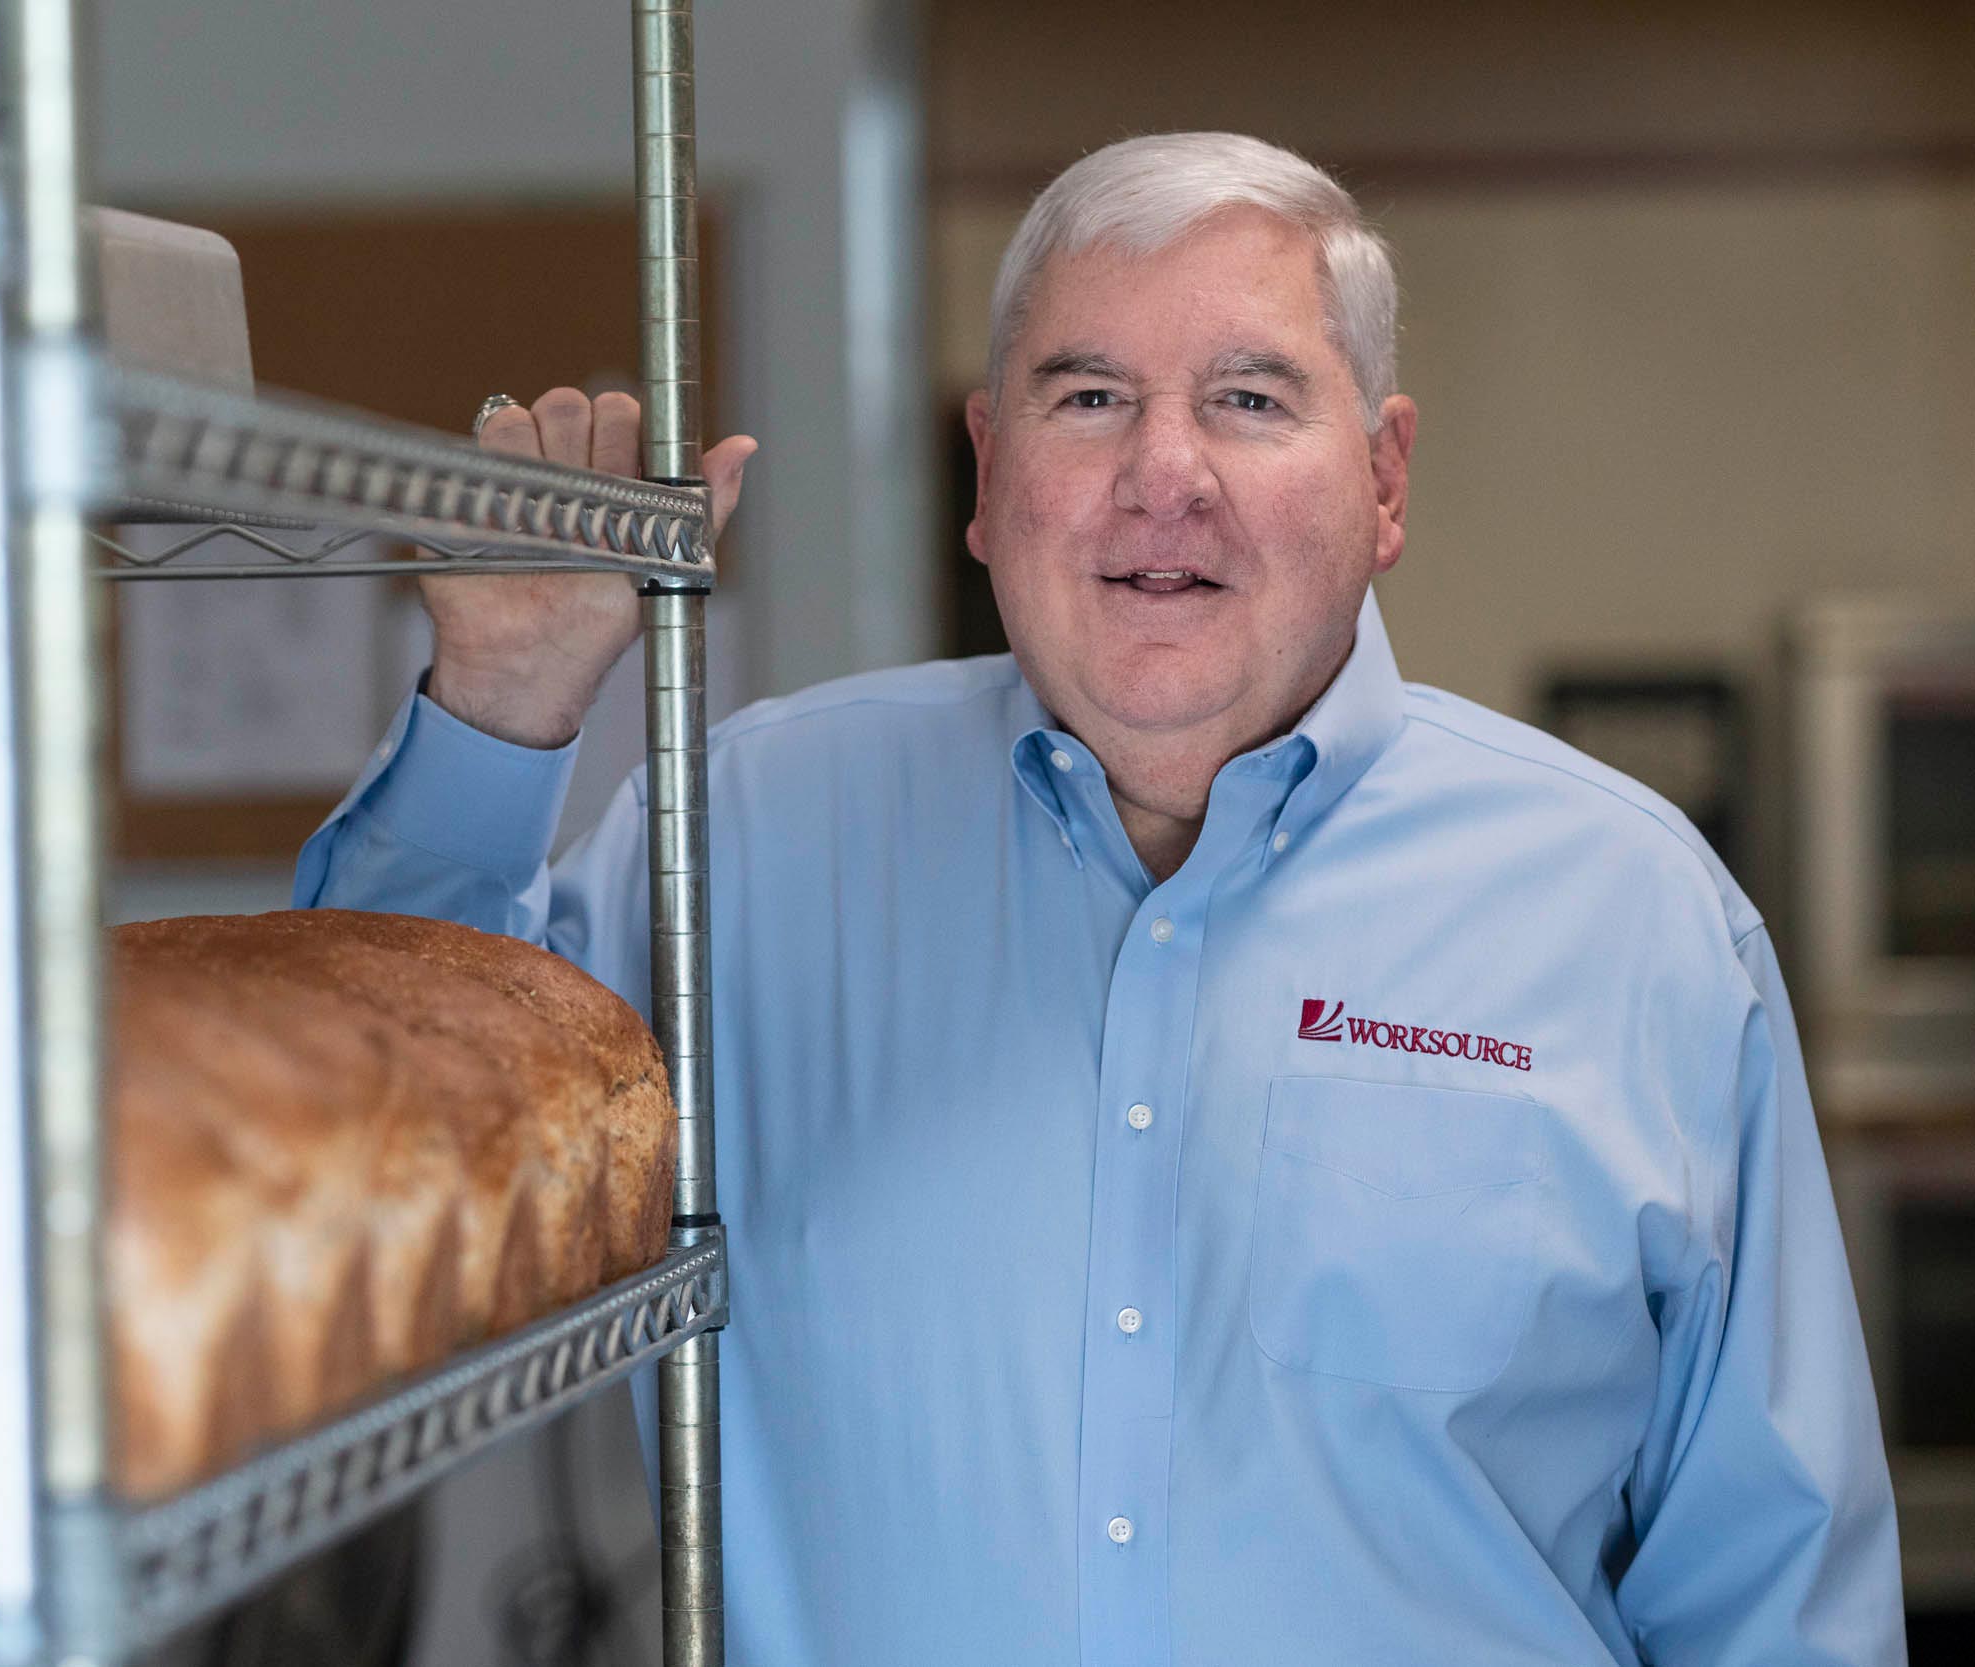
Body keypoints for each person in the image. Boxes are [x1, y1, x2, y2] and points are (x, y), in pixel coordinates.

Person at [295, 132, 1905, 1664]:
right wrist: (497, 709)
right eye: (1089, 396)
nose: (1165, 473)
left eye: (1251, 398)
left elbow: (1774, 1597)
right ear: (990, 477)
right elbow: (371, 1192)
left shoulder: (1630, 921)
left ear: (1386, 477)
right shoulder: (737, 845)